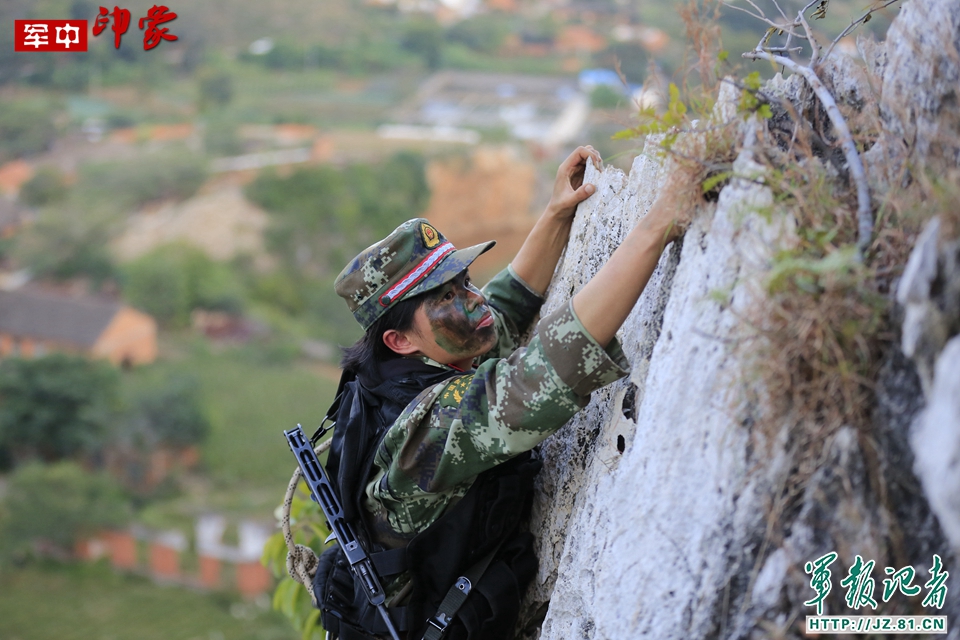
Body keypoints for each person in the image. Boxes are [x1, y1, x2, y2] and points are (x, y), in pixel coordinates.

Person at [317, 145, 699, 640]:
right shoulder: (425, 431)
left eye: (464, 283)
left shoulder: (412, 361)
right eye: (446, 298)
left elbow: (501, 311)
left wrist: (556, 214)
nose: (472, 300)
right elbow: (543, 374)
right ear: (400, 339)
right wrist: (656, 227)